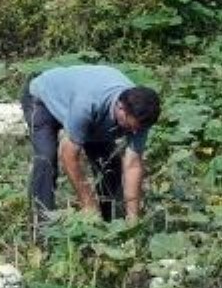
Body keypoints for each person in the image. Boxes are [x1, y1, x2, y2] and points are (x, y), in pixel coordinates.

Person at [21, 65, 161, 229]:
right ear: (121, 108)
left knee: (108, 163)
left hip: (90, 111)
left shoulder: (141, 115)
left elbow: (133, 165)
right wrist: (87, 202)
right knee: (46, 158)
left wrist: (133, 217)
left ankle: (113, 223)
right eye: (130, 127)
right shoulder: (88, 103)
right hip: (43, 99)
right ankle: (41, 226)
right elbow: (68, 156)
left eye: (138, 128)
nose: (134, 132)